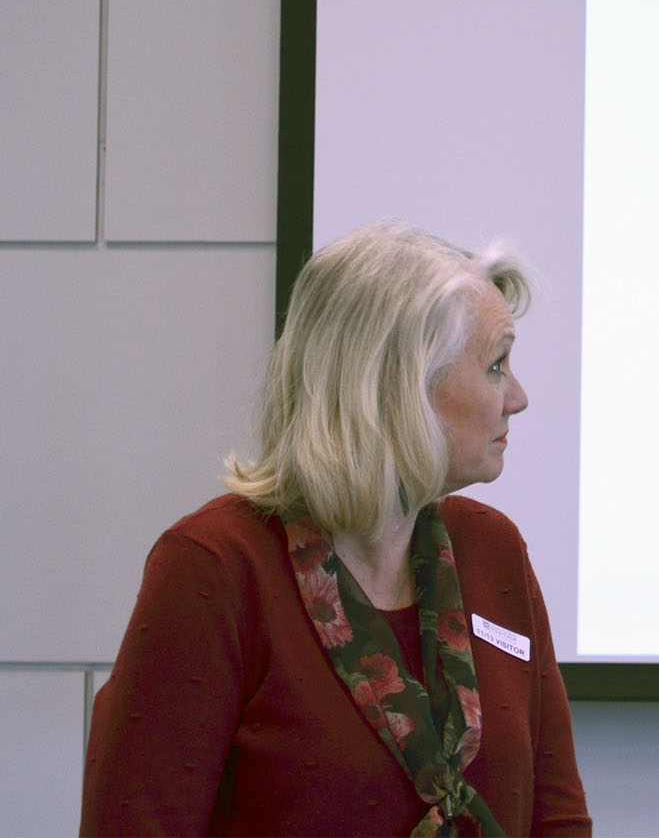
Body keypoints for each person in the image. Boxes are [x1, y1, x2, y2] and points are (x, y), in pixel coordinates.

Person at [82, 220, 591, 836]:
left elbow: (557, 818)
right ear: (402, 384)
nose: (518, 397)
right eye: (495, 365)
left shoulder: (493, 549)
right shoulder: (214, 566)